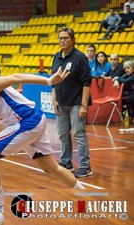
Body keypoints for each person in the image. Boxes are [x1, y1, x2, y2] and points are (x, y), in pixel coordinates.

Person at [0, 58, 85, 225]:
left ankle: (1, 210)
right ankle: (87, 198)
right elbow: (7, 103)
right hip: (34, 119)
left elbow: (15, 78)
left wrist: (48, 80)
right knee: (51, 167)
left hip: (27, 122)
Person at [51, 27, 93, 178]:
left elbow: (87, 81)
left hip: (76, 102)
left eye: (66, 38)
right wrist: (54, 98)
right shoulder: (56, 56)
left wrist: (84, 105)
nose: (62, 41)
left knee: (78, 133)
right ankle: (66, 162)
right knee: (63, 134)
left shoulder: (79, 57)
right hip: (61, 102)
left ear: (73, 40)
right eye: (60, 38)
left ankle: (85, 166)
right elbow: (54, 80)